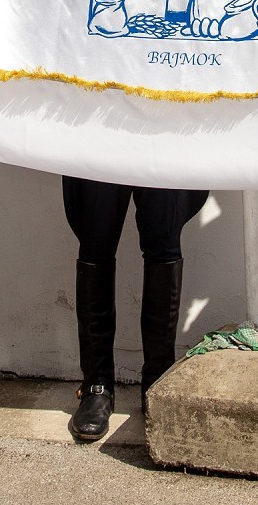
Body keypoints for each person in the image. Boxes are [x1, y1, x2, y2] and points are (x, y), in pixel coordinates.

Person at [62, 176, 208, 441]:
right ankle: (96, 386)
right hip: (99, 149)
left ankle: (157, 381)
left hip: (165, 149)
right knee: (95, 240)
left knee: (164, 242)